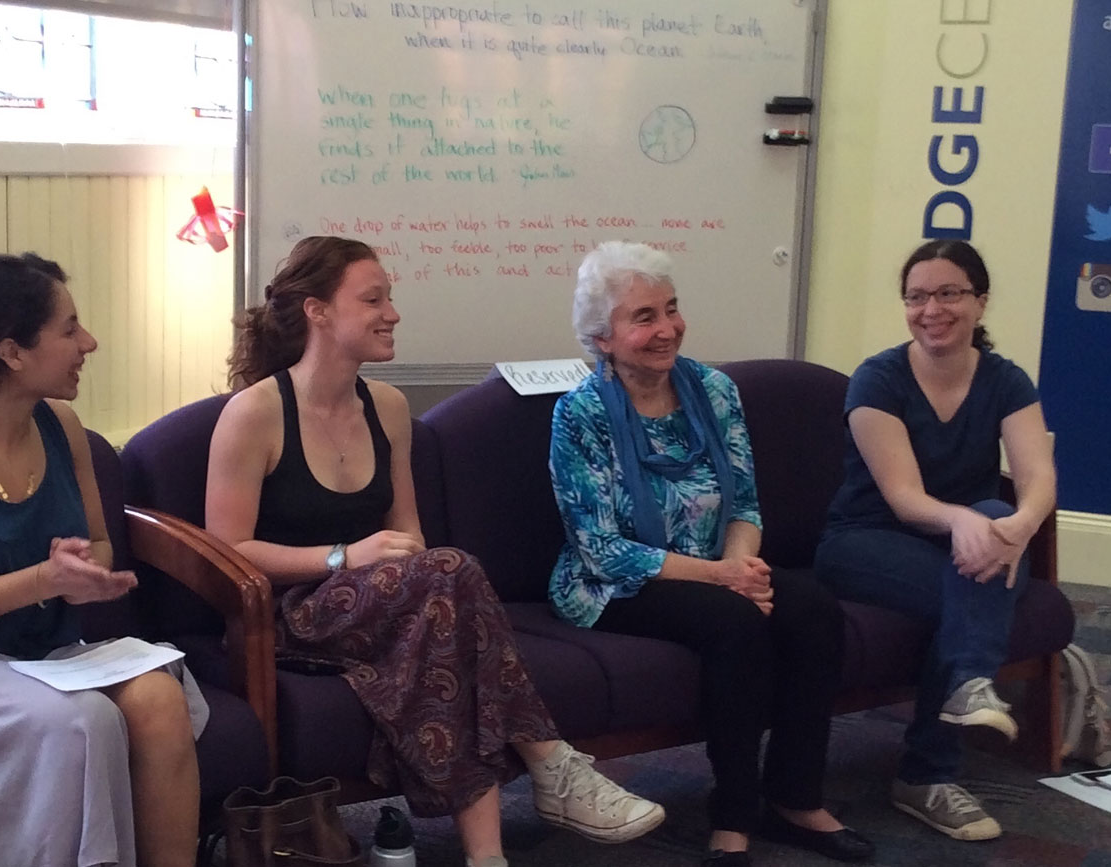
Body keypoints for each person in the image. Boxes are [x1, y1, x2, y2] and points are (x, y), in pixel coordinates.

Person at [204, 235, 664, 867]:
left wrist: (392, 565)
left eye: (390, 297)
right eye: (373, 299)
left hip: (386, 603)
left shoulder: (388, 409)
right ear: (317, 311)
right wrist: (344, 556)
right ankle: (551, 762)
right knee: (452, 574)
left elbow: (411, 537)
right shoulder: (255, 413)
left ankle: (487, 857)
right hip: (290, 613)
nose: (392, 312)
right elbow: (226, 552)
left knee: (446, 611)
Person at [0, 254, 204, 866]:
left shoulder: (61, 424)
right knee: (81, 722)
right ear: (11, 352)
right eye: (70, 328)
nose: (89, 342)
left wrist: (86, 573)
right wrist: (43, 580)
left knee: (159, 699)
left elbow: (99, 543)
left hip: (38, 655)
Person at [547, 241, 874, 867]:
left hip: (719, 565)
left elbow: (745, 502)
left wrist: (743, 566)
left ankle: (796, 797)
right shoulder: (580, 413)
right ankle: (733, 817)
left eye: (671, 308)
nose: (667, 328)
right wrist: (724, 578)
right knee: (736, 624)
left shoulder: (715, 389)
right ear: (603, 337)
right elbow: (602, 549)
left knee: (812, 609)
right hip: (617, 584)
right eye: (643, 317)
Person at [814, 239, 1057, 842]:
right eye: (917, 296)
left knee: (999, 518)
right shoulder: (878, 378)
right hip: (865, 542)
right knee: (978, 581)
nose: (932, 309)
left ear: (980, 302)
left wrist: (1018, 527)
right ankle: (932, 766)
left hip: (964, 545)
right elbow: (903, 497)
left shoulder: (1004, 379)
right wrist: (967, 524)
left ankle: (945, 733)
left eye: (949, 293)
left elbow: (1037, 476)